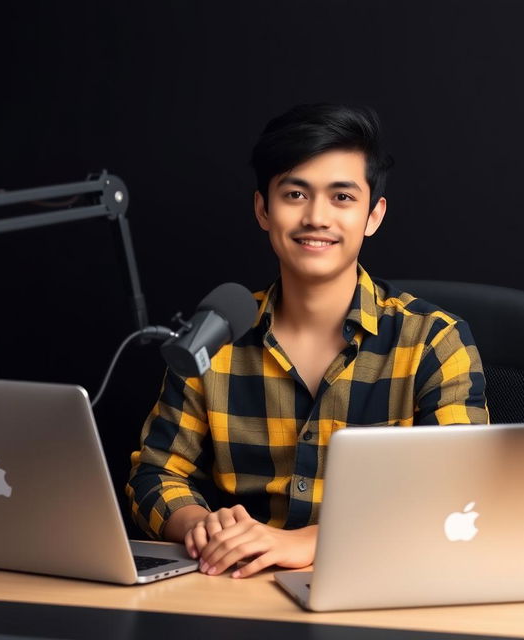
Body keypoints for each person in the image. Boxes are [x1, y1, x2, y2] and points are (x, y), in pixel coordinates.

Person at [126, 103, 489, 579]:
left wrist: (308, 542)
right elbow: (154, 473)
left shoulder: (433, 340)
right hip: (241, 587)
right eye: (295, 193)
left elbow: (463, 492)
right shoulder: (216, 336)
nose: (316, 217)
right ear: (263, 208)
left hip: (386, 586)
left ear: (373, 215)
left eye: (342, 198)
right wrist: (201, 526)